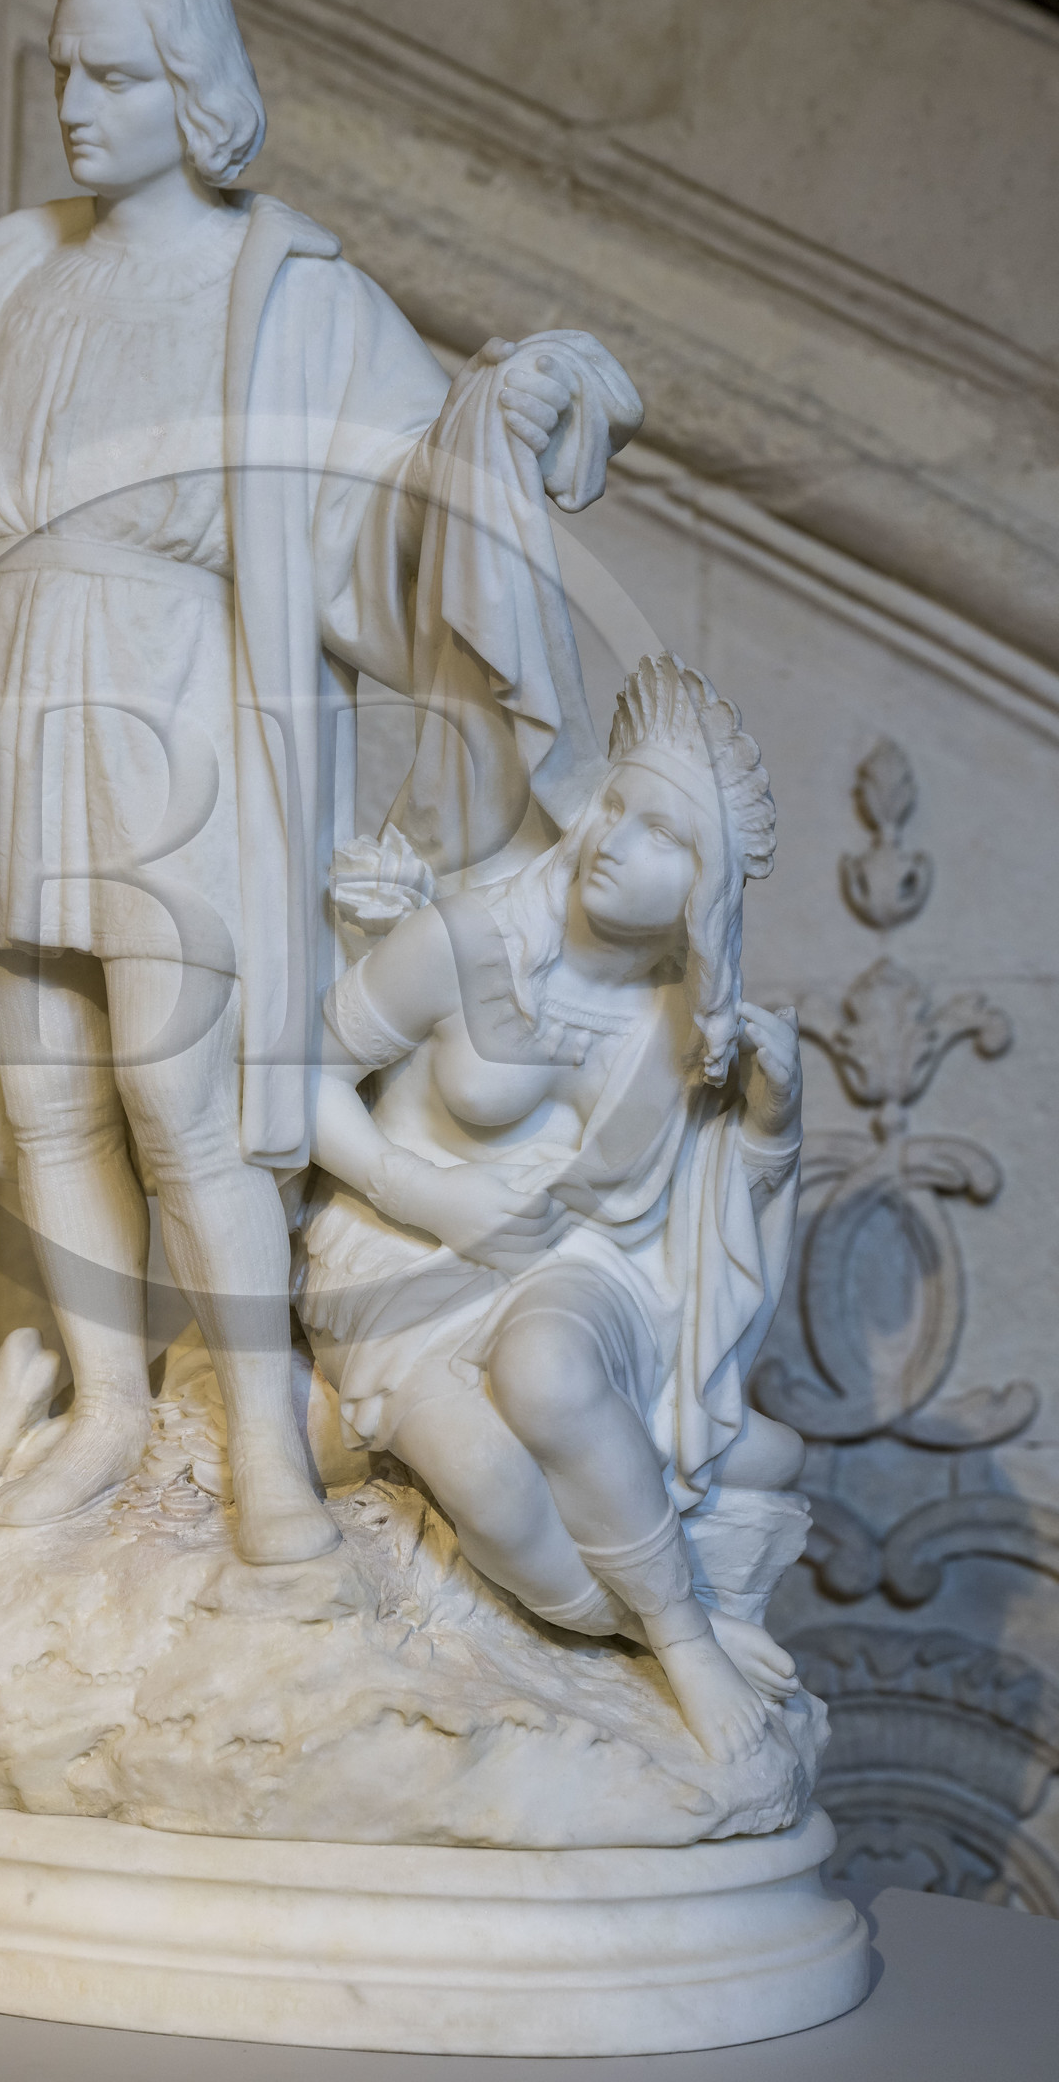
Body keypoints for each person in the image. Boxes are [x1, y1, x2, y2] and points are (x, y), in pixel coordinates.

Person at [0, 0, 640, 1564]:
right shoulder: (6, 274)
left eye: (117, 77)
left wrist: (517, 397)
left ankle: (267, 1445)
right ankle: (118, 1412)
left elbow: (406, 500)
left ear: (198, 98)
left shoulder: (290, 292)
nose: (77, 103)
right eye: (65, 69)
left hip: (168, 686)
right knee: (46, 1090)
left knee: (180, 1089)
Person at [299, 655, 806, 1756]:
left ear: (703, 889)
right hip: (395, 1255)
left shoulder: (680, 1024)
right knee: (483, 1477)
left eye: (662, 835)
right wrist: (427, 1193)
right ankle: (646, 1627)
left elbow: (698, 1227)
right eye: (615, 805)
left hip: (576, 1261)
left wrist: (772, 1127)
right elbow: (293, 1076)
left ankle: (681, 1641)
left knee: (551, 1373)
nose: (615, 839)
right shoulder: (468, 938)